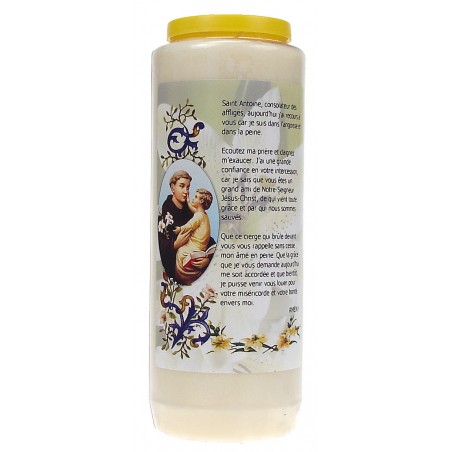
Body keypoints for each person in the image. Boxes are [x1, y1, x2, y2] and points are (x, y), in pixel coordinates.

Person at [158, 170, 194, 280]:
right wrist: (175, 245)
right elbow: (160, 245)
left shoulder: (189, 210)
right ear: (173, 187)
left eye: (188, 187)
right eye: (181, 186)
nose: (186, 191)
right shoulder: (165, 212)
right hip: (174, 269)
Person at [173, 189, 213, 285]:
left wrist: (179, 229)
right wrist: (188, 202)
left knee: (181, 252)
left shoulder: (199, 216)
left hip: (194, 247)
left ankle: (183, 277)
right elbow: (194, 210)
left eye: (195, 197)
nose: (193, 199)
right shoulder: (203, 214)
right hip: (201, 248)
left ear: (201, 201)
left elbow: (190, 225)